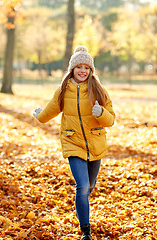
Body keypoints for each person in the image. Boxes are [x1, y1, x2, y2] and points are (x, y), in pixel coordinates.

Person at [33, 46, 115, 240]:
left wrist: (101, 113)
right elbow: (51, 110)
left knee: (90, 186)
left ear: (91, 70)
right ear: (72, 69)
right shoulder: (63, 90)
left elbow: (111, 119)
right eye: (79, 66)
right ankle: (85, 230)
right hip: (73, 143)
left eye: (86, 67)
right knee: (83, 186)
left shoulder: (99, 90)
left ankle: (81, 206)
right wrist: (39, 116)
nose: (82, 71)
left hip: (95, 143)